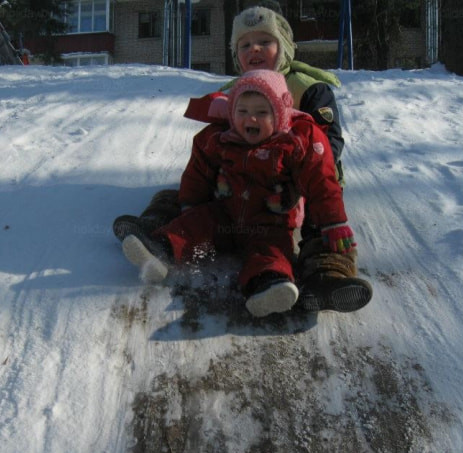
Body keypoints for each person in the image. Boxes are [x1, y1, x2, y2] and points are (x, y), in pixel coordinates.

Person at [121, 70, 371, 317]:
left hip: (270, 222)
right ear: (232, 113)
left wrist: (333, 223)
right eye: (242, 112)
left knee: (273, 252)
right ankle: (159, 251)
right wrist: (190, 206)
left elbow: (321, 181)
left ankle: (268, 286)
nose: (250, 119)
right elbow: (198, 173)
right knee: (195, 223)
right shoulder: (219, 139)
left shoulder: (293, 143)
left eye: (262, 112)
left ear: (280, 114)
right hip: (224, 215)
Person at [113, 5, 347, 247]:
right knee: (183, 196)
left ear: (284, 47)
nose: (254, 48)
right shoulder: (235, 92)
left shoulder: (308, 88)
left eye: (265, 41)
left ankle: (327, 263)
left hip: (297, 185)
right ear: (236, 56)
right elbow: (217, 141)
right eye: (244, 45)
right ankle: (157, 228)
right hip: (241, 184)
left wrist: (296, 185)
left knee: (320, 222)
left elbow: (327, 144)